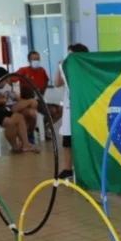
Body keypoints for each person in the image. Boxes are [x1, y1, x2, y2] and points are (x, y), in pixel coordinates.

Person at [54, 43, 89, 180]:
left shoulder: (87, 70)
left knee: (82, 140)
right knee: (67, 141)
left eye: (71, 56)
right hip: (69, 109)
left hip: (83, 108)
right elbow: (57, 83)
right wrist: (59, 67)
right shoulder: (67, 70)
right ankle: (68, 168)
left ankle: (84, 169)